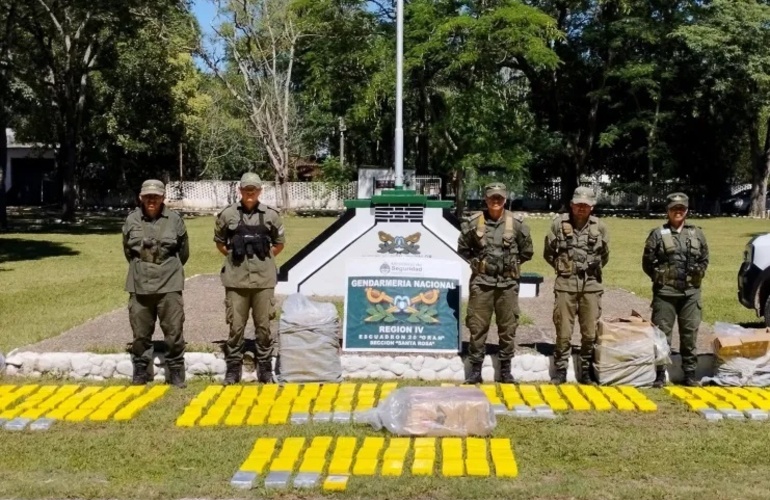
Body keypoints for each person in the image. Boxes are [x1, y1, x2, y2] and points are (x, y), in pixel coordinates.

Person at [457, 182, 534, 384]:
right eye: (492, 197)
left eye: (500, 197)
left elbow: (527, 251)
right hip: (482, 283)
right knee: (477, 326)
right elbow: (463, 249)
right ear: (486, 199)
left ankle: (505, 370)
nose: (496, 201)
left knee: (507, 327)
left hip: (507, 284)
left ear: (505, 199)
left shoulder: (516, 224)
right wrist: (478, 263)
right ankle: (475, 370)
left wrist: (510, 265)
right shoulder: (474, 223)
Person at [214, 172, 285, 385]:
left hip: (263, 280)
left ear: (260, 191)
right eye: (246, 189)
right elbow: (219, 242)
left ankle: (265, 367)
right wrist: (232, 255)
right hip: (236, 280)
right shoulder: (227, 214)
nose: (250, 192)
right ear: (240, 190)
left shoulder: (272, 215)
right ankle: (233, 368)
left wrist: (265, 258)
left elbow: (279, 243)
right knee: (236, 326)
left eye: (254, 189)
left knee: (263, 325)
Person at [122, 179, 189, 388]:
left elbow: (184, 252)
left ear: (163, 197)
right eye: (148, 196)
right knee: (140, 332)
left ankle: (176, 371)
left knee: (174, 330)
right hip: (140, 283)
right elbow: (127, 250)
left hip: (169, 282)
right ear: (141, 197)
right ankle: (141, 370)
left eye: (156, 196)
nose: (152, 200)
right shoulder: (132, 220)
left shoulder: (175, 220)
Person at [544, 186, 610, 385]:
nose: (581, 208)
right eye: (578, 205)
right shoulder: (558, 224)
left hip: (591, 286)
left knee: (590, 332)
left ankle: (587, 371)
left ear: (592, 207)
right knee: (563, 330)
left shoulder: (600, 228)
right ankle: (561, 370)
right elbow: (548, 253)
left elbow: (605, 256)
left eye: (586, 205)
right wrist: (564, 267)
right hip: (565, 284)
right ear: (572, 205)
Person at [642, 192, 709, 387]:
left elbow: (705, 258)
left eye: (681, 209)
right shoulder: (657, 234)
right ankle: (660, 374)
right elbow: (647, 261)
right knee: (662, 335)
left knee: (690, 334)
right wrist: (658, 277)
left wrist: (699, 273)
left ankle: (689, 373)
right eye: (674, 209)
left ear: (686, 211)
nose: (677, 212)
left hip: (690, 293)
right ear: (667, 211)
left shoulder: (697, 233)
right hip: (666, 294)